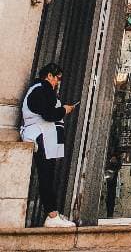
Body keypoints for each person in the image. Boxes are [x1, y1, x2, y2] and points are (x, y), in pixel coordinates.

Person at [20, 62, 76, 228]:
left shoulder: (36, 89)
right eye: (56, 78)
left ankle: (53, 213)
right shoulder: (44, 87)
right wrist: (64, 110)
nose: (57, 82)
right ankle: (52, 215)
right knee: (46, 176)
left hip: (43, 136)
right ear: (49, 76)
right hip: (43, 136)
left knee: (48, 176)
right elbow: (49, 114)